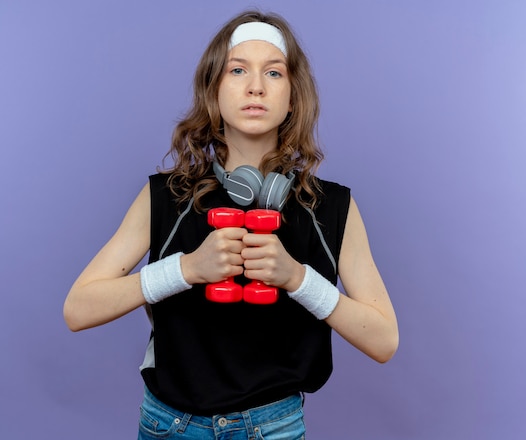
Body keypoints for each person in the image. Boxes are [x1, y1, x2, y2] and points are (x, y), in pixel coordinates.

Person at [63, 9, 398, 439]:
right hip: (170, 425)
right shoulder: (167, 196)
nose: (255, 86)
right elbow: (78, 309)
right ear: (214, 91)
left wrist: (297, 278)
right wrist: (185, 269)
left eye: (273, 73)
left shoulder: (330, 206)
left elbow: (384, 340)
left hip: (272, 427)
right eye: (237, 70)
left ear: (293, 95)